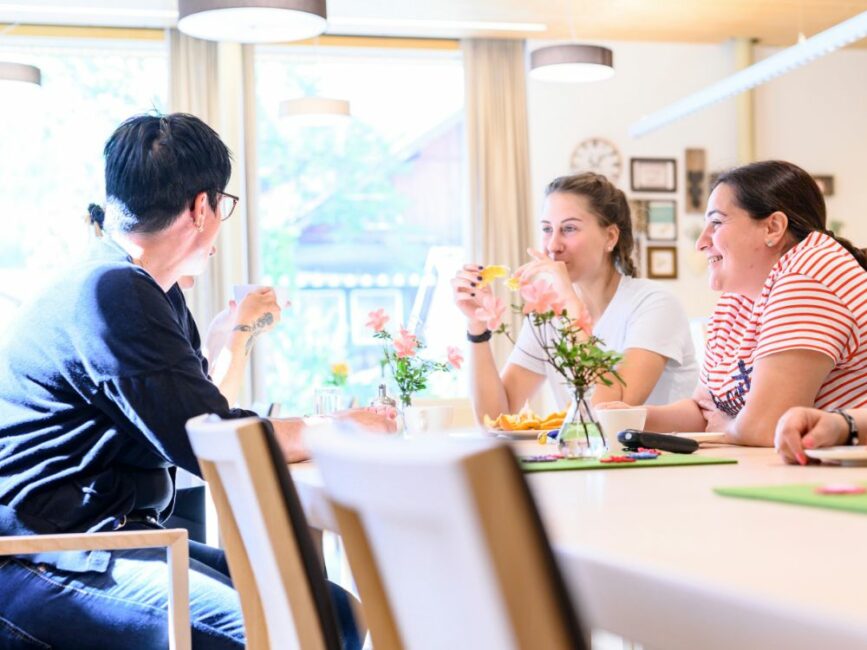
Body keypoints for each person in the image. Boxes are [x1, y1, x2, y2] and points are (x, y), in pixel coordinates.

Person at [0, 113, 390, 649]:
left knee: (335, 614)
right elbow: (211, 442)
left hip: (112, 541)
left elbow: (199, 417)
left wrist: (233, 342)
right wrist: (335, 428)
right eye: (224, 205)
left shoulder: (148, 290)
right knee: (288, 632)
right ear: (201, 207)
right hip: (45, 557)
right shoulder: (112, 292)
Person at [600, 160, 867, 447]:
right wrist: (632, 417)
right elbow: (705, 410)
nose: (701, 242)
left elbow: (764, 429)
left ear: (773, 228)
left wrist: (729, 425)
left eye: (716, 222)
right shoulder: (738, 297)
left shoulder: (809, 274)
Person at [452, 172, 697, 420]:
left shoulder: (655, 305)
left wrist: (571, 305)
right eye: (547, 229)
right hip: (584, 446)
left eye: (569, 229)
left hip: (658, 446)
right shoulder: (548, 316)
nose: (553, 245)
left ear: (610, 237)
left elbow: (612, 413)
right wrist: (477, 327)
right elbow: (495, 417)